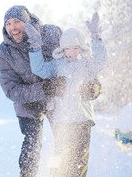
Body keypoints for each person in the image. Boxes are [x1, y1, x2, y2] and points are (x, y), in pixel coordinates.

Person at [24, 12, 107, 177]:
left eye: (75, 48)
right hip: (62, 120)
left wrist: (96, 37)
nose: (71, 52)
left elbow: (100, 60)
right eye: (68, 49)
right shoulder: (57, 65)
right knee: (61, 157)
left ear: (81, 48)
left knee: (80, 158)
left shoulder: (86, 65)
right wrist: (35, 47)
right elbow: (39, 69)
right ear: (63, 49)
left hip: (82, 119)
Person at [0, 5, 63, 177]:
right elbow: (11, 90)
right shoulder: (4, 52)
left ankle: (64, 172)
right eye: (8, 24)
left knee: (65, 140)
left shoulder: (51, 34)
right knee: (32, 144)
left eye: (17, 22)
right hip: (29, 103)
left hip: (57, 98)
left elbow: (73, 56)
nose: (13, 27)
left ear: (27, 21)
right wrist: (43, 89)